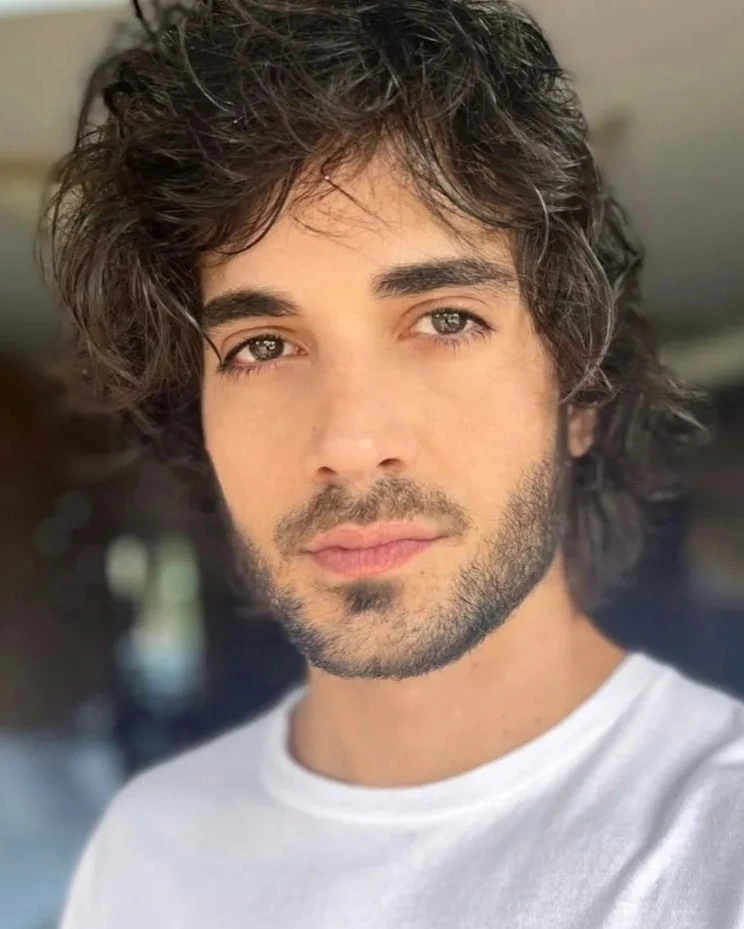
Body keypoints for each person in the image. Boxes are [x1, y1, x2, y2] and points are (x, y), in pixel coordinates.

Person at [43, 1, 743, 927]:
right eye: (261, 345)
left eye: (446, 320)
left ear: (578, 395)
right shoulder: (146, 852)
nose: (348, 440)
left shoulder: (716, 847)